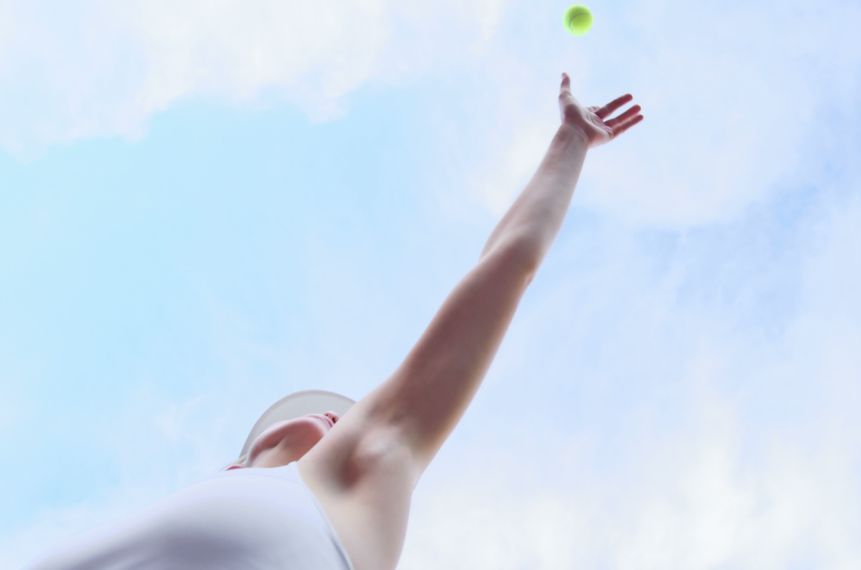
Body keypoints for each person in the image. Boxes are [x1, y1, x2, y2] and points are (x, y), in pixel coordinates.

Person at [29, 73, 644, 570]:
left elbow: (506, 268)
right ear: (245, 455)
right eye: (332, 413)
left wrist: (569, 144)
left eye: (342, 419)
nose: (339, 418)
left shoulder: (350, 488)